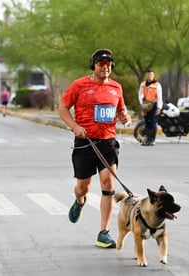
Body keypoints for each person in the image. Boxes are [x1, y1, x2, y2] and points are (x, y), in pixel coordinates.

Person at [58, 49, 131, 249]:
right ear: (94, 65)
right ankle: (80, 201)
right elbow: (63, 108)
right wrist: (74, 126)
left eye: (108, 64)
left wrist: (125, 116)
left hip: (108, 142)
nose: (105, 67)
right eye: (101, 63)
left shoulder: (116, 87)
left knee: (108, 186)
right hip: (85, 142)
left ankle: (103, 233)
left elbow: (121, 110)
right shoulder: (79, 85)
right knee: (83, 187)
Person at [137, 69, 163, 146]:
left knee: (152, 122)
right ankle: (147, 139)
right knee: (147, 122)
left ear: (153, 75)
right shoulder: (143, 84)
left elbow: (159, 96)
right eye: (148, 74)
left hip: (154, 105)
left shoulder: (157, 85)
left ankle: (152, 140)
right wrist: (142, 105)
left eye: (151, 74)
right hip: (145, 105)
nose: (149, 76)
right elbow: (140, 94)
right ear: (146, 75)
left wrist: (159, 107)